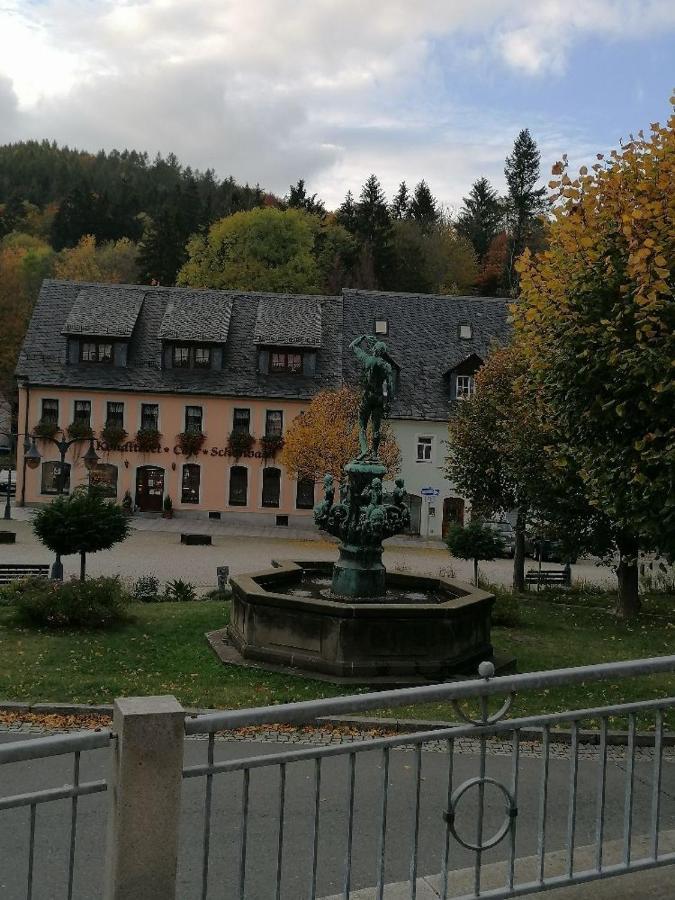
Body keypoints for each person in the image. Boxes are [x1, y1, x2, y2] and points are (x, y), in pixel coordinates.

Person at [349, 335, 395, 457]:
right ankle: (374, 453)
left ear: (374, 349)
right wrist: (388, 402)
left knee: (362, 425)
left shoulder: (367, 360)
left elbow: (352, 345)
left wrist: (363, 337)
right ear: (383, 352)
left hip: (367, 397)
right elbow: (389, 386)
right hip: (379, 398)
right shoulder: (387, 366)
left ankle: (364, 450)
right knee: (376, 428)